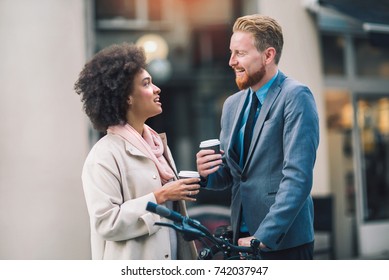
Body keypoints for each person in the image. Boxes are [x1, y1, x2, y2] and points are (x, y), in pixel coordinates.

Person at [196, 14, 319, 260]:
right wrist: (206, 172)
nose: (231, 61)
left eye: (240, 53)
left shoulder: (296, 96)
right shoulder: (232, 104)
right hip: (240, 242)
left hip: (283, 243)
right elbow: (233, 175)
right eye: (231, 53)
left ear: (268, 55)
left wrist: (262, 237)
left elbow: (298, 178)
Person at [74, 43, 199, 260]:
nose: (157, 89)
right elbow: (106, 223)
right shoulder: (103, 155)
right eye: (147, 83)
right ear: (126, 97)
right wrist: (161, 196)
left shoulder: (158, 146)